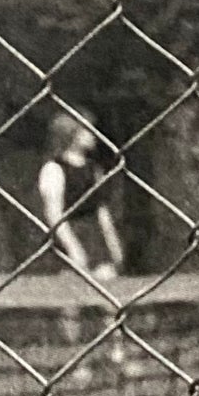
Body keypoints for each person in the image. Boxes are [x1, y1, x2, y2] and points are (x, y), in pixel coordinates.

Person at [35, 104, 126, 278]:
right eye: (87, 130)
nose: (93, 135)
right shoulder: (54, 168)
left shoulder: (93, 169)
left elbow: (101, 210)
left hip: (93, 236)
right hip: (68, 234)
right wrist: (73, 248)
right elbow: (54, 214)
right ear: (71, 133)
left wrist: (113, 244)